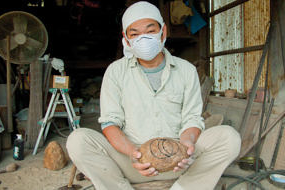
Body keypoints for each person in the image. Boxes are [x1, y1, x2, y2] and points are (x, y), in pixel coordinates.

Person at [66, 1, 241, 190]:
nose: (143, 38)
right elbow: (110, 124)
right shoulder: (116, 72)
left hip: (177, 161)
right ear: (126, 39)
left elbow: (192, 119)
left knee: (229, 138)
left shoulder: (186, 70)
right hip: (132, 162)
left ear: (163, 32)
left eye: (150, 31)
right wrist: (134, 153)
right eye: (135, 34)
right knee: (78, 140)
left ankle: (184, 187)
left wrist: (186, 146)